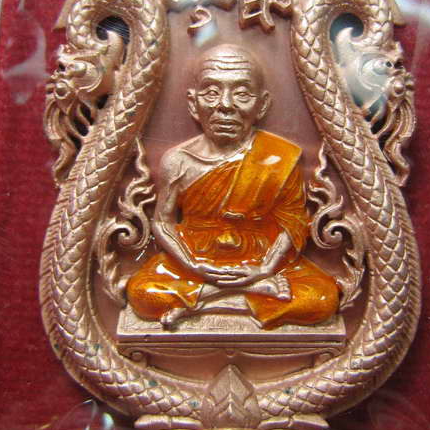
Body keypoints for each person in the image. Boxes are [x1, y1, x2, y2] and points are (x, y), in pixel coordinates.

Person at [126, 44, 339, 329]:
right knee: (142, 293)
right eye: (211, 93)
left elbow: (293, 222)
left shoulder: (278, 157)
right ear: (193, 103)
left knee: (322, 298)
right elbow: (163, 222)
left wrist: (264, 268)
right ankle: (246, 296)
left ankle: (201, 301)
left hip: (262, 261)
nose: (225, 105)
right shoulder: (177, 161)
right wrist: (192, 264)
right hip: (195, 261)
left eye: (242, 94)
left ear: (262, 104)